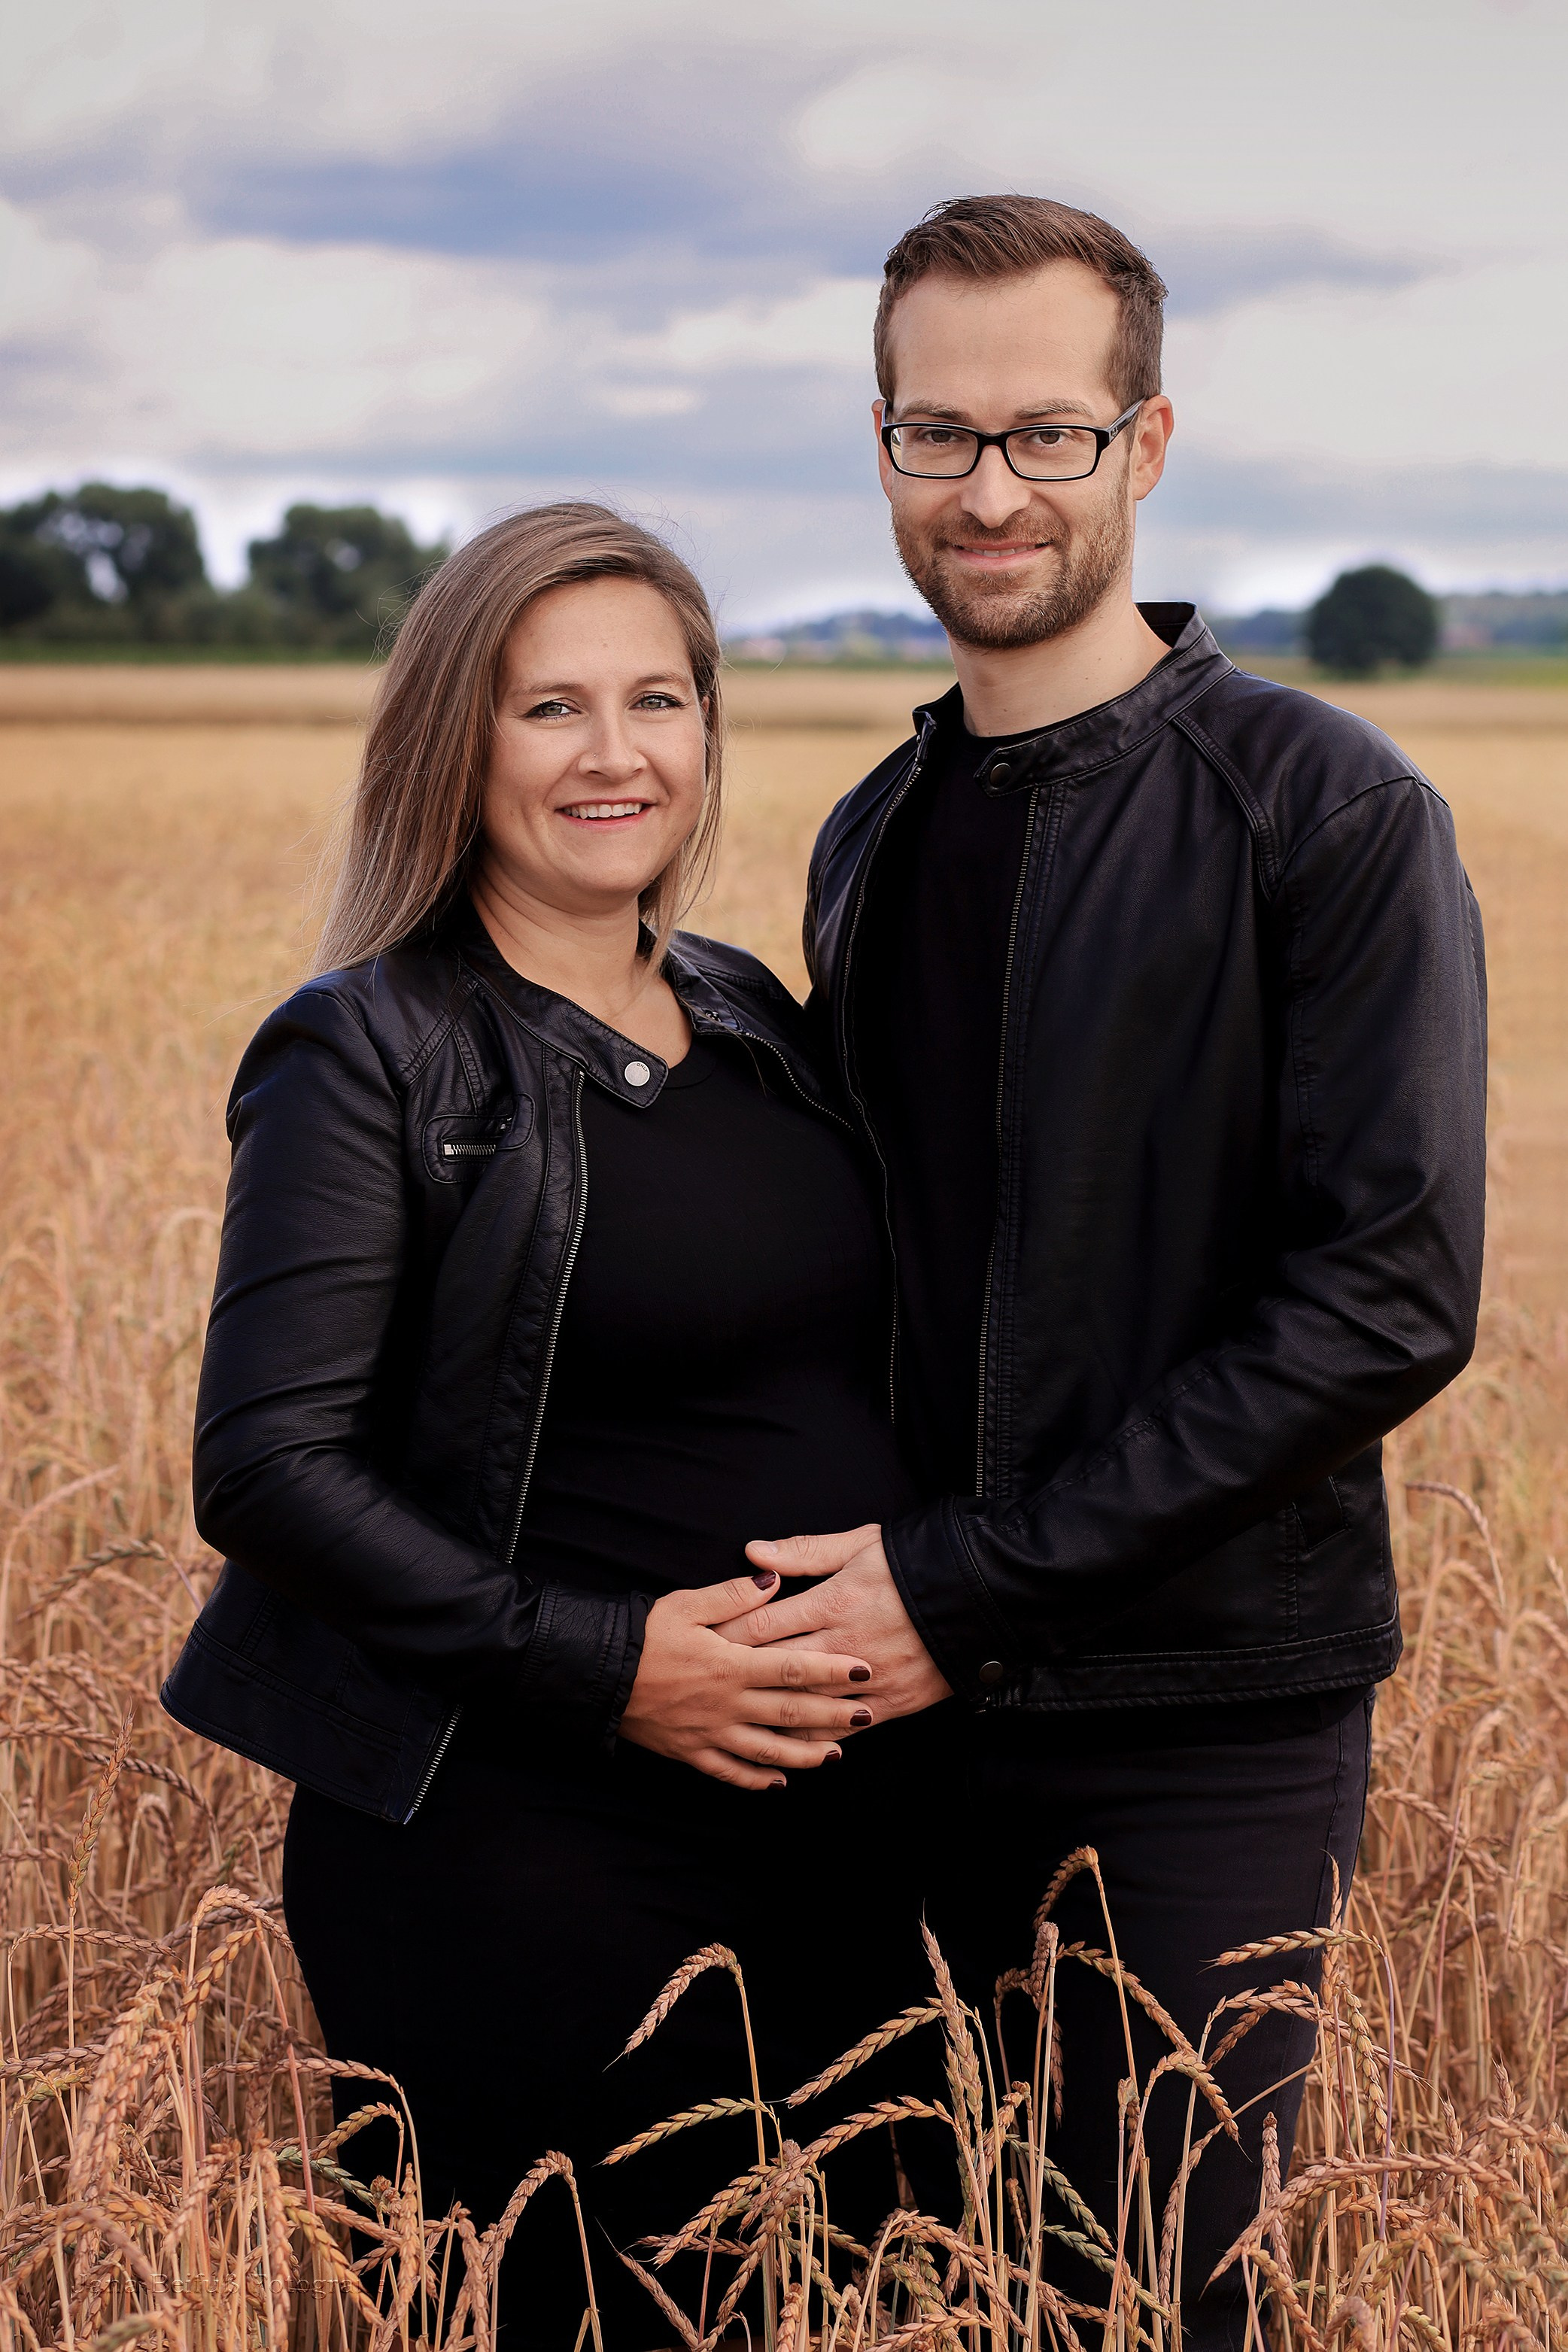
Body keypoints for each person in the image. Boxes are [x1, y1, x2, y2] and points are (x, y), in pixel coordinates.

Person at [731, 196, 1487, 2347]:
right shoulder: (869, 829)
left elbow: (1386, 1292)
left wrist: (970, 1576)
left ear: (1144, 443)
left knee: (1147, 2294)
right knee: (900, 2278)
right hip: (884, 1707)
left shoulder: (1321, 807)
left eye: (1045, 436)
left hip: (1202, 1719)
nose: (987, 490)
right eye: (936, 434)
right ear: (876, 446)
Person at [160, 504, 947, 2346]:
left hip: (847, 1849)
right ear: (459, 739)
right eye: (551, 709)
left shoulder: (757, 1017)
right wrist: (614, 1671)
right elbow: (266, 1467)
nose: (618, 757)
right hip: (527, 1850)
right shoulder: (371, 1048)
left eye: (658, 700)